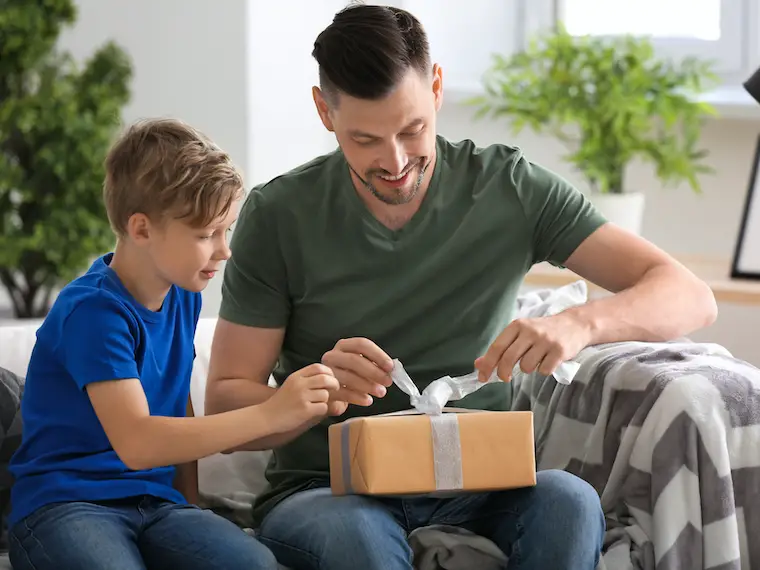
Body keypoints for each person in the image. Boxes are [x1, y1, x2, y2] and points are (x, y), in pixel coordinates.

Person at [205, 5, 718, 570]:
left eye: (412, 129)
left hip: (484, 480)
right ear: (325, 112)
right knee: (359, 541)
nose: (396, 162)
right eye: (366, 140)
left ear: (438, 87)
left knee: (570, 502)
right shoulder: (280, 216)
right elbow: (226, 404)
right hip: (328, 491)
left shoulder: (507, 188)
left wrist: (578, 324)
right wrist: (310, 394)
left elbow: (690, 295)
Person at [7, 118, 340, 570]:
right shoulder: (92, 312)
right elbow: (140, 441)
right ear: (141, 229)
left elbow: (176, 406)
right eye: (206, 235)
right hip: (67, 504)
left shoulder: (182, 294)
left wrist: (191, 507)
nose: (225, 251)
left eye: (227, 230)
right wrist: (271, 411)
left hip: (154, 504)